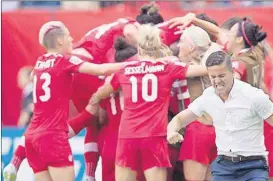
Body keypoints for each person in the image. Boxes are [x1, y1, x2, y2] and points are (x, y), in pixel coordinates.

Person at [168, 14, 273, 181]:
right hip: (262, 125)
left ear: (238, 40)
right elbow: (220, 33)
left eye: (230, 34)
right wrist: (194, 19)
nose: (224, 36)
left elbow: (230, 85)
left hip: (249, 129)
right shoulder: (255, 54)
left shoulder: (238, 62)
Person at [88, 24, 208, 181]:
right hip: (154, 136)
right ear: (158, 47)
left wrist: (95, 98)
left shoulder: (125, 69)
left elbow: (106, 86)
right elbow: (201, 70)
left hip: (128, 136)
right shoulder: (167, 67)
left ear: (139, 48)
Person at [167, 51, 273, 181]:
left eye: (221, 76)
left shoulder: (253, 95)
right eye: (213, 77)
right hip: (225, 165)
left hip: (253, 164)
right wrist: (171, 131)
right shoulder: (208, 96)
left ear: (232, 72)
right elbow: (180, 118)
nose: (217, 81)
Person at [23, 21, 127, 181]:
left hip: (31, 137)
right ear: (59, 41)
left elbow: (33, 77)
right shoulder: (64, 61)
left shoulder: (39, 63)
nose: (72, 39)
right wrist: (137, 64)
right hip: (52, 136)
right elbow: (101, 70)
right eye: (68, 36)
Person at [176, 25, 221, 181]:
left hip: (199, 129)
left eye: (181, 41)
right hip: (219, 129)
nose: (177, 45)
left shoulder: (192, 68)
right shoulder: (219, 57)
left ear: (191, 47)